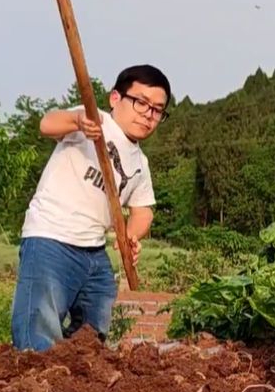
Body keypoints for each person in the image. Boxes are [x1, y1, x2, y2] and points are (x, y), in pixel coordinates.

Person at [10, 64, 171, 351]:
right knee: (39, 327)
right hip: (51, 239)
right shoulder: (94, 122)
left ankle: (76, 380)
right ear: (115, 99)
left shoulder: (139, 163)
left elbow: (143, 210)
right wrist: (76, 121)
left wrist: (130, 236)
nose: (148, 114)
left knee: (98, 326)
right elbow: (46, 124)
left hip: (93, 252)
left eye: (157, 110)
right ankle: (36, 381)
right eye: (141, 103)